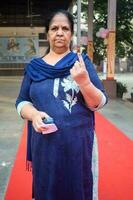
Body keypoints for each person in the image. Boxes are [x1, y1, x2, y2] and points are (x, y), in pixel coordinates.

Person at [16, 9, 108, 200]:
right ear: (47, 33)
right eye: (54, 28)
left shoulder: (81, 63)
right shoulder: (34, 67)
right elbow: (22, 101)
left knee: (77, 189)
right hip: (45, 146)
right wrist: (33, 114)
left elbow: (98, 103)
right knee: (47, 189)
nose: (59, 32)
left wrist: (84, 81)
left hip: (78, 144)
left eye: (65, 28)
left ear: (71, 34)